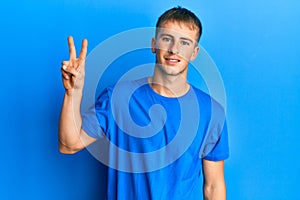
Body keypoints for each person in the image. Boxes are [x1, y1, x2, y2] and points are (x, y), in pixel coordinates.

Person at [59, 6, 229, 199]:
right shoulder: (119, 97)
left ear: (194, 52)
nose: (174, 49)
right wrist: (73, 92)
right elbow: (69, 144)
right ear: (154, 44)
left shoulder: (211, 112)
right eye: (167, 39)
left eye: (184, 42)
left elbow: (213, 187)